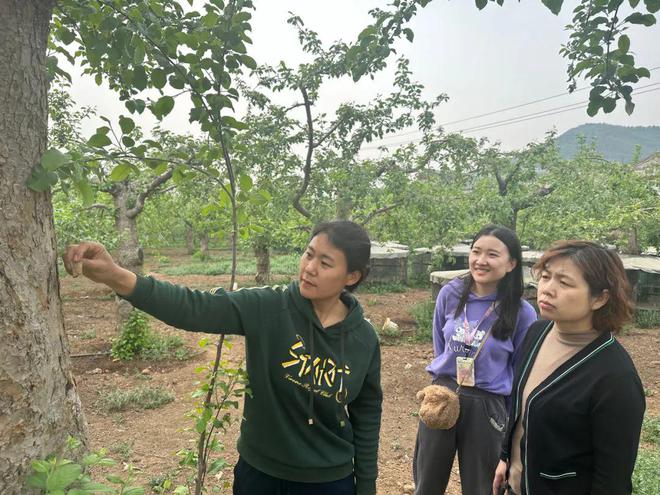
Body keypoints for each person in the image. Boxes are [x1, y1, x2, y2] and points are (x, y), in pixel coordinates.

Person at [63, 220, 382, 495]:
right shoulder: (269, 307)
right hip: (260, 476)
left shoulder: (363, 339)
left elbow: (366, 416)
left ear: (351, 276)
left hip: (328, 483)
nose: (310, 268)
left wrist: (366, 488)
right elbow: (193, 307)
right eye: (308, 254)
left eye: (326, 263)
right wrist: (115, 276)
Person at [492, 240, 646, 495]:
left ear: (600, 298)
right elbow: (520, 406)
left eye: (564, 283)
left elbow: (613, 480)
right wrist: (506, 458)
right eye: (545, 276)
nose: (547, 289)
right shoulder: (536, 333)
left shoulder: (615, 377)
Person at [413, 224, 537, 495]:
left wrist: (513, 428)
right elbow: (440, 346)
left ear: (511, 263)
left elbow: (520, 373)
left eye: (492, 254)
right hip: (442, 394)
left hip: (487, 405)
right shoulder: (451, 294)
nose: (481, 260)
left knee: (483, 487)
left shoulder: (522, 312)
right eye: (476, 251)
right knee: (426, 483)